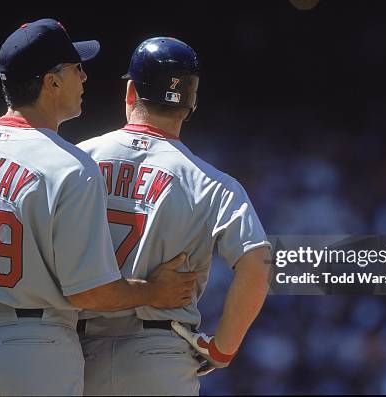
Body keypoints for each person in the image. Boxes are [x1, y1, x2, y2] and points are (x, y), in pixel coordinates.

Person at [0, 21, 195, 396]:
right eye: (75, 67)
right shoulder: (70, 166)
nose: (84, 76)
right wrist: (153, 292)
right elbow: (90, 294)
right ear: (51, 82)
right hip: (37, 349)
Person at [76, 37, 272, 396]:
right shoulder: (212, 182)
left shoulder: (74, 159)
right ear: (190, 103)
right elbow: (258, 264)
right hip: (160, 353)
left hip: (74, 352)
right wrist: (222, 349)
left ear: (131, 91)